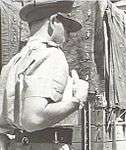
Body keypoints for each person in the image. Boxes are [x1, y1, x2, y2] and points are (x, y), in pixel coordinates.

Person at [0, 0, 89, 149]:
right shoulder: (51, 55)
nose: (69, 36)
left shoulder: (14, 62)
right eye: (67, 28)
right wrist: (77, 100)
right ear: (53, 21)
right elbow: (34, 118)